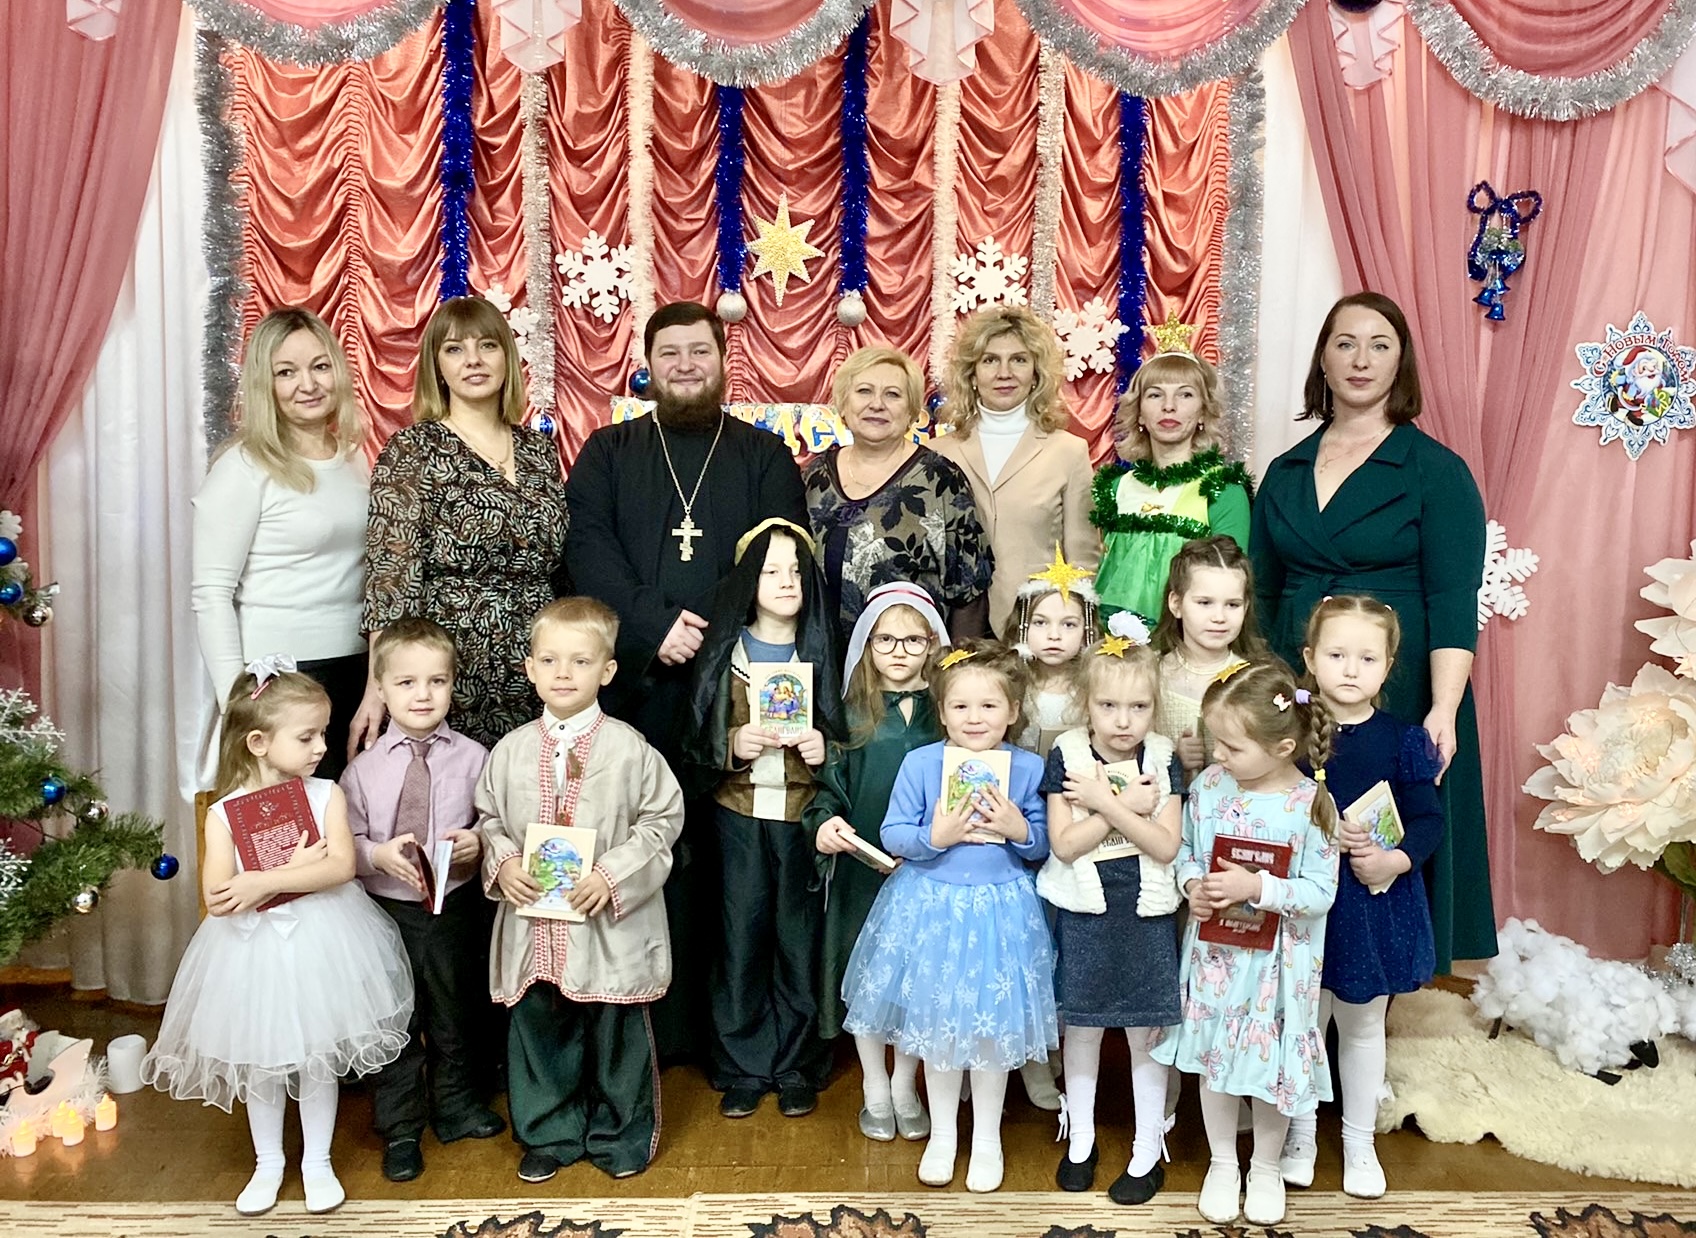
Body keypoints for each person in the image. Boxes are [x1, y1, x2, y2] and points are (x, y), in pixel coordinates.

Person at [563, 301, 807, 1059]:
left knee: (730, 871)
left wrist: (710, 639)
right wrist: (652, 626)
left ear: (725, 359)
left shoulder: (765, 456)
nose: (685, 365)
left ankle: (726, 1034)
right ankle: (646, 1034)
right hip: (634, 689)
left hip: (735, 693)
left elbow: (778, 561)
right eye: (669, 353)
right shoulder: (609, 450)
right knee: (637, 856)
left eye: (700, 350)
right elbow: (588, 549)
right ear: (648, 365)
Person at [1250, 291, 1491, 971]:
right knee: (1299, 824)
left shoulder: (1436, 472)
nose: (1361, 359)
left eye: (1379, 345)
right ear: (1323, 361)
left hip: (1396, 681)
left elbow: (1453, 598)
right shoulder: (1286, 470)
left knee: (1378, 836)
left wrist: (1443, 708)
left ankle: (1372, 993)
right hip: (1298, 675)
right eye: (1345, 343)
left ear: (1400, 363)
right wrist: (1259, 695)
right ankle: (1295, 980)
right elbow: (1261, 593)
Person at [142, 663, 413, 1216]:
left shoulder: (326, 795)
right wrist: (290, 871)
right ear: (259, 743)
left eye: (323, 734)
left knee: (317, 1056)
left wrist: (264, 880)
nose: (321, 747)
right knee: (260, 1058)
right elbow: (221, 896)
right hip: (251, 952)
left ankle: (317, 1162)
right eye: (306, 737)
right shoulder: (223, 813)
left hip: (322, 941)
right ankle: (268, 1162)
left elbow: (339, 867)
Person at [475, 597, 685, 1183]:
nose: (563, 673)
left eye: (580, 661)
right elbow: (489, 820)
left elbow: (661, 822)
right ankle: (549, 1133)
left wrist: (611, 874)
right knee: (541, 1028)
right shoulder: (510, 751)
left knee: (616, 1034)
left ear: (607, 671)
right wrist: (505, 862)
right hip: (533, 922)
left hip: (608, 923)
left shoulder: (631, 750)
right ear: (530, 668)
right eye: (549, 660)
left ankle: (621, 1133)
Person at [842, 640, 1056, 1193]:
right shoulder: (922, 763)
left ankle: (987, 1138)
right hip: (931, 908)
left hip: (1000, 912)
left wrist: (1018, 828)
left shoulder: (1028, 768)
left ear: (1013, 710)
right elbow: (893, 832)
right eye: (960, 706)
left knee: (989, 1036)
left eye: (989, 705)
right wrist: (933, 837)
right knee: (937, 1030)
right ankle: (943, 1135)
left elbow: (1042, 844)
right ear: (941, 711)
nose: (974, 718)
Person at [1153, 659, 1340, 1228]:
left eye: (1232, 747)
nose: (1218, 755)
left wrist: (1257, 887)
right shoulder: (1209, 787)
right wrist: (1193, 886)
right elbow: (1187, 852)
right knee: (1215, 1063)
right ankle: (1222, 1164)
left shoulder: (1311, 804)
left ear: (1283, 747)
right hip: (1216, 961)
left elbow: (1321, 891)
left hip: (1279, 972)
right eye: (1217, 742)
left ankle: (1264, 1166)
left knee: (1269, 1070)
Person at [1279, 596, 1441, 1199]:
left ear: (1389, 665)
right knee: (1302, 1021)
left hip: (1370, 906)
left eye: (1367, 658)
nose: (1350, 669)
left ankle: (1358, 1140)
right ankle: (1298, 1132)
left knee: (1363, 1022)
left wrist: (1392, 860)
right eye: (1336, 655)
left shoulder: (1402, 739)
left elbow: (1428, 820)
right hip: (1299, 902)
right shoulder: (1289, 729)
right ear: (1309, 658)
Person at [681, 519, 842, 1119]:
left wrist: (827, 749)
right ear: (748, 580)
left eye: (796, 571)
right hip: (739, 815)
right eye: (771, 570)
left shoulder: (822, 651)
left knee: (799, 941)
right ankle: (744, 1065)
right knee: (740, 938)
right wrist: (730, 745)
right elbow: (694, 734)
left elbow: (849, 730)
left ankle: (797, 1064)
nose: (786, 581)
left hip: (802, 818)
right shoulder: (727, 653)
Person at [364, 297, 568, 749]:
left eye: (487, 345)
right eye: (455, 349)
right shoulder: (413, 449)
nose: (473, 360)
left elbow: (560, 566)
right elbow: (391, 578)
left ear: (507, 358)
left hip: (541, 664)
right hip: (449, 666)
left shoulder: (539, 450)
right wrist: (378, 686)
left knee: (535, 785)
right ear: (437, 367)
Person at [340, 618, 503, 1184]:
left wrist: (479, 841)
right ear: (381, 689)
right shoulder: (362, 771)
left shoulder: (476, 758)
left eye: (437, 681)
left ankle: (456, 1107)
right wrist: (375, 855)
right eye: (406, 682)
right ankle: (401, 1125)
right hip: (387, 913)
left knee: (457, 1011)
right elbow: (345, 843)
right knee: (398, 1021)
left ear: (454, 684)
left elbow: (494, 822)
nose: (423, 695)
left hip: (454, 906)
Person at [191, 307, 380, 779]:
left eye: (320, 366)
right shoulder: (241, 468)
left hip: (355, 671)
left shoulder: (355, 459)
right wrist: (237, 702)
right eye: (286, 372)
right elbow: (211, 594)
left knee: (349, 817)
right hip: (278, 681)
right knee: (286, 823)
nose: (308, 384)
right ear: (264, 384)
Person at [1041, 627, 1182, 1204]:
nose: (1124, 721)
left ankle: (1148, 1148)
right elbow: (1064, 844)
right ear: (1086, 703)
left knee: (1145, 1031)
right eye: (1108, 706)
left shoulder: (1164, 757)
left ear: (1154, 706)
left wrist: (1103, 805)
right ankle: (1081, 1139)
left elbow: (1166, 847)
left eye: (1139, 707)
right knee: (1083, 1026)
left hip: (1145, 916)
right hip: (1086, 914)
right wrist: (1117, 805)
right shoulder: (1068, 754)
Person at [805, 582, 949, 1142]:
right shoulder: (848, 716)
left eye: (914, 640)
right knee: (867, 978)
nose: (899, 651)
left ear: (933, 644)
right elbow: (826, 791)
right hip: (863, 872)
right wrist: (824, 826)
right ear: (866, 644)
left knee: (915, 979)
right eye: (885, 639)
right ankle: (873, 1085)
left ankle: (906, 1084)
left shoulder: (948, 713)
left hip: (928, 873)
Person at [930, 306, 1099, 634]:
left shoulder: (1069, 452)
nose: (1004, 373)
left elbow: (1083, 562)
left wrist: (1071, 630)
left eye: (1019, 360)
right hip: (955, 628)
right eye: (990, 360)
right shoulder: (937, 453)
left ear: (1036, 373)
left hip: (1037, 630)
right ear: (971, 373)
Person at [803, 347, 991, 640]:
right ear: (843, 404)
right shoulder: (815, 477)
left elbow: (969, 593)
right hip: (822, 659)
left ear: (912, 411)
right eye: (864, 391)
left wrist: (956, 665)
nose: (877, 404)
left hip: (910, 661)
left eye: (892, 394)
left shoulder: (941, 479)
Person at [1091, 353, 1253, 624]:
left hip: (1186, 639)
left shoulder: (1222, 490)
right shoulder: (1115, 488)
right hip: (1112, 640)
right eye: (1155, 395)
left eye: (1185, 395)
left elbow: (1229, 585)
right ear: (1139, 412)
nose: (1169, 406)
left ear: (1203, 411)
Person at [1151, 538, 1273, 790]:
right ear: (1176, 604)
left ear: (1246, 607)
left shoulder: (1253, 680)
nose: (1219, 617)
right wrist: (1174, 760)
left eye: (1232, 605)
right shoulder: (1151, 673)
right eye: (1205, 603)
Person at [1004, 550, 1099, 756]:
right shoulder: (1009, 682)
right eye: (1040, 622)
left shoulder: (1096, 686)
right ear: (1022, 627)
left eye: (1069, 624)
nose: (1054, 635)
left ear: (1086, 632)